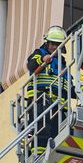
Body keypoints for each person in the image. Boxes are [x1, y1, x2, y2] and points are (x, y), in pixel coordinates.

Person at [24, 25, 71, 156]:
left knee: (57, 131)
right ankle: (38, 156)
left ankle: (52, 154)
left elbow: (70, 85)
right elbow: (31, 65)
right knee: (42, 129)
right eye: (52, 44)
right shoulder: (39, 53)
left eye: (57, 44)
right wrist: (42, 59)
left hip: (58, 105)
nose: (54, 47)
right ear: (47, 42)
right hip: (40, 99)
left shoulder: (62, 64)